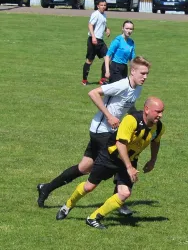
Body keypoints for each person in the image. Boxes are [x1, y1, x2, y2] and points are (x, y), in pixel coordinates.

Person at [38, 56, 151, 216]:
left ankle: (46, 188)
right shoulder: (121, 85)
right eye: (143, 73)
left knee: (84, 167)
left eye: (147, 74)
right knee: (120, 159)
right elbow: (93, 93)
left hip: (111, 132)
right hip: (101, 131)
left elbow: (129, 106)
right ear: (133, 71)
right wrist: (109, 116)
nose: (145, 77)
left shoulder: (137, 88)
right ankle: (120, 201)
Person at [56, 97, 165, 230]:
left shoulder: (159, 128)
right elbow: (120, 143)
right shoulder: (131, 120)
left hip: (130, 161)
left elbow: (156, 142)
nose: (160, 115)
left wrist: (153, 160)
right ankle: (68, 205)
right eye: (158, 111)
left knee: (124, 193)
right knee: (89, 187)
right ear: (147, 110)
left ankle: (93, 218)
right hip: (110, 157)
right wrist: (129, 167)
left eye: (162, 112)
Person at [82, 0, 110, 86]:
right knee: (90, 60)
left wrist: (106, 29)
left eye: (104, 5)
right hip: (93, 40)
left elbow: (102, 24)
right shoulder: (95, 14)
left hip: (100, 41)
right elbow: (90, 25)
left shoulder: (104, 15)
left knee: (108, 58)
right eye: (101, 5)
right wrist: (93, 37)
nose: (103, 7)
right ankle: (84, 80)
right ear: (98, 6)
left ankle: (102, 79)